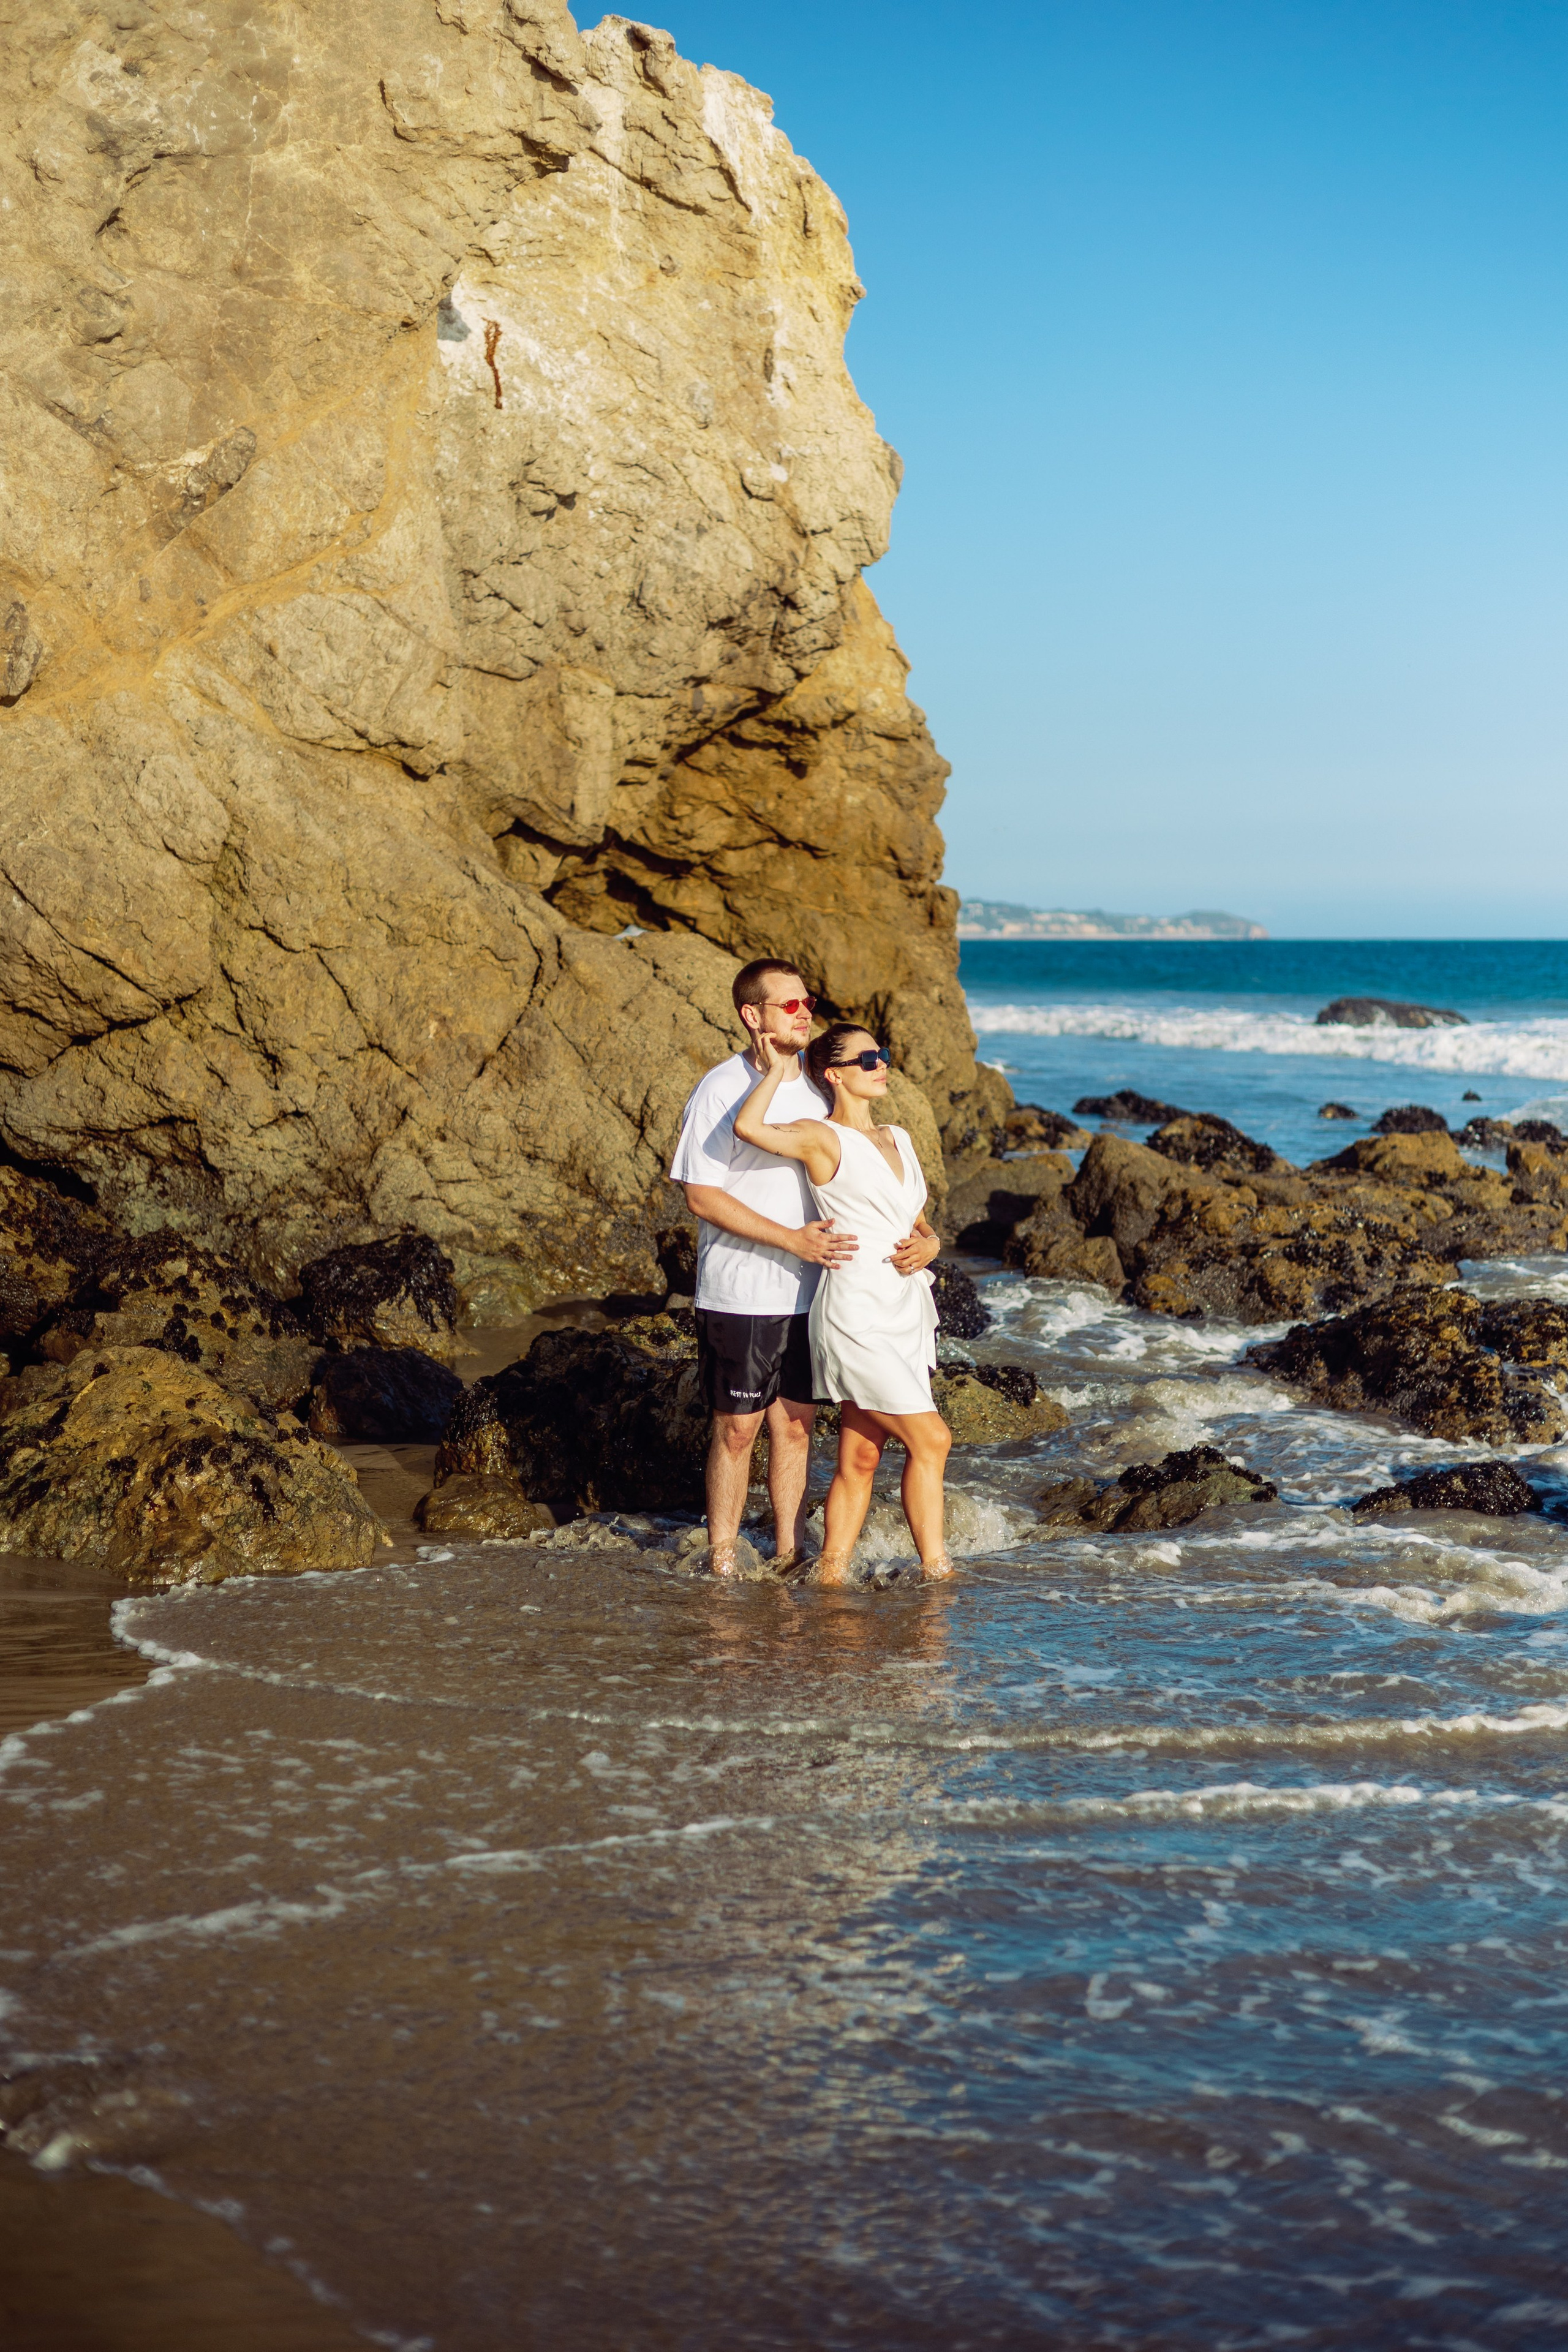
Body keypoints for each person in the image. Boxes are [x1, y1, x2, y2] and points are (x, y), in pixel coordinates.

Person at [733, 1020, 952, 1583]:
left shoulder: (899, 1137)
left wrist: (931, 1244)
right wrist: (782, 1067)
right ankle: (939, 1576)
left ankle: (831, 1575)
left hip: (905, 1310)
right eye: (867, 1059)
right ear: (834, 1075)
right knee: (933, 1438)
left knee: (861, 1457)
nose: (881, 1065)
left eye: (882, 1055)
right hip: (855, 1311)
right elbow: (748, 1126)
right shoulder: (821, 1136)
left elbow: (918, 1221)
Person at [669, 960, 859, 1576]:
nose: (805, 1013)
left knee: (798, 1427)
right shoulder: (720, 1089)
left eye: (808, 1003)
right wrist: (790, 1241)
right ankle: (722, 1557)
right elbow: (701, 1195)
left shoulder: (818, 1087)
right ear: (753, 1016)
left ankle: (789, 1554)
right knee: (736, 1431)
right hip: (740, 1290)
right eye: (789, 1006)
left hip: (813, 1292)